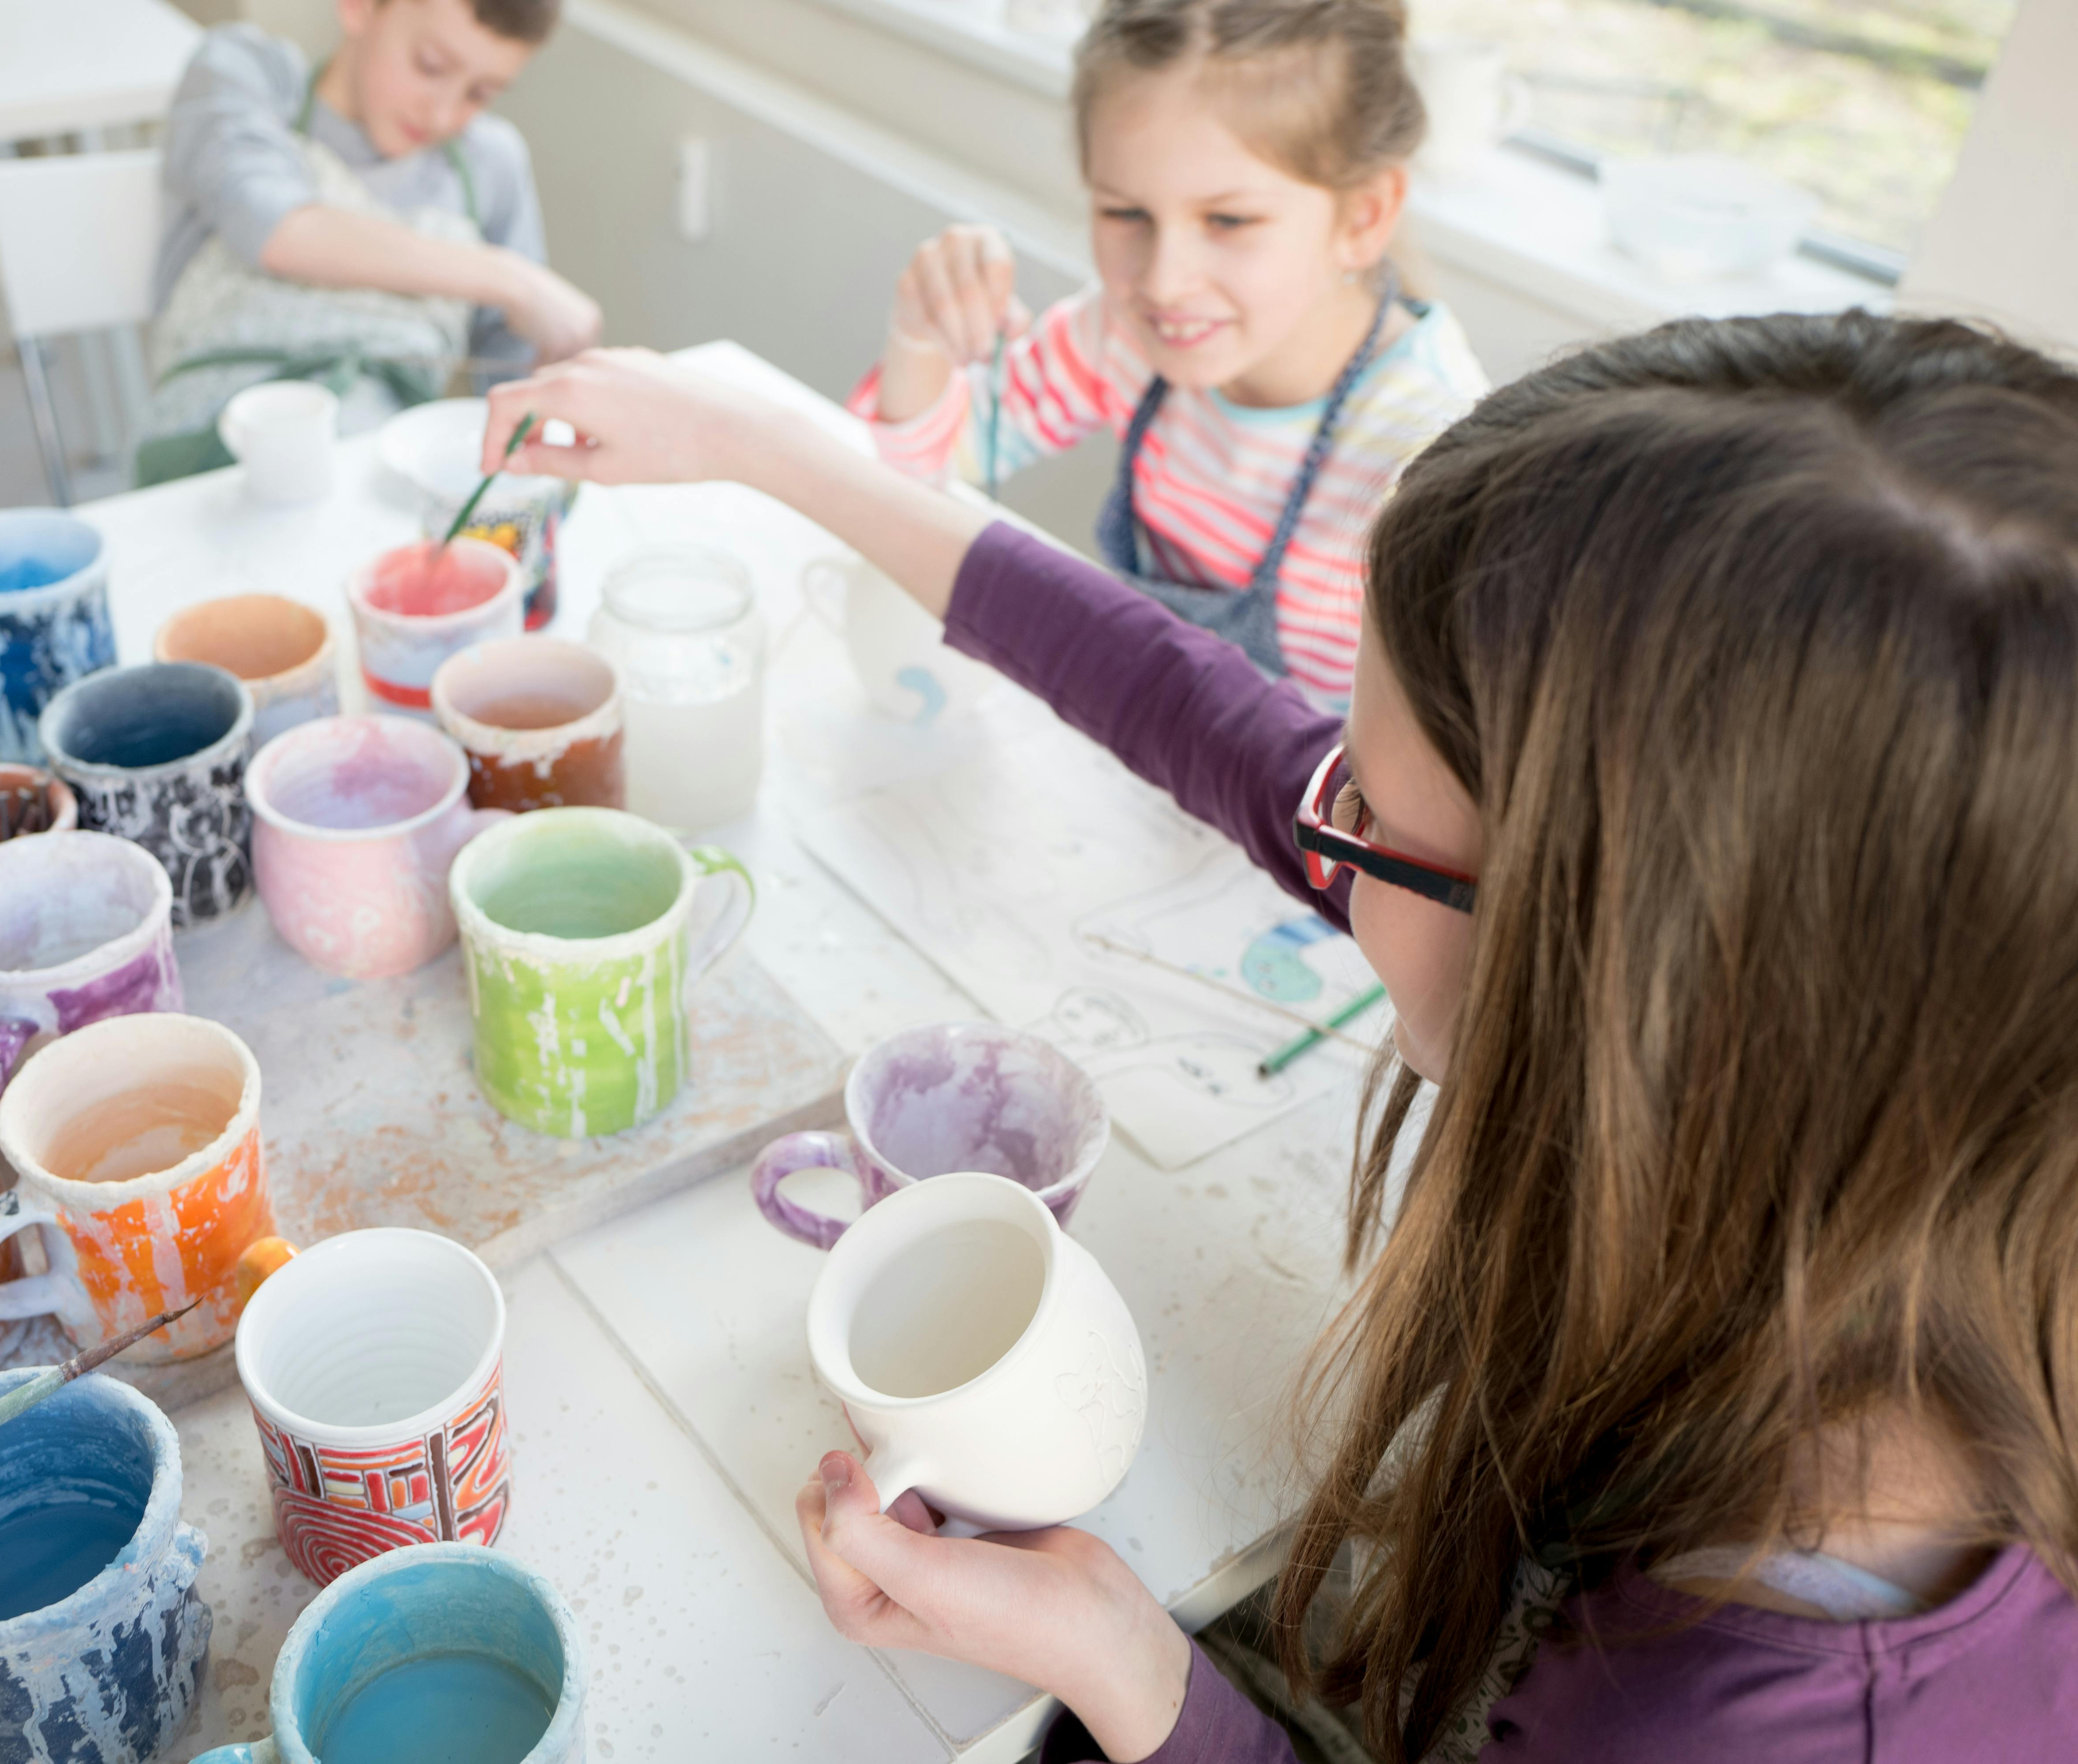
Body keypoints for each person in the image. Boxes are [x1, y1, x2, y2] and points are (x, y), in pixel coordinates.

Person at [482, 309, 2078, 1760]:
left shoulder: (1711, 1719)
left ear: (1601, 976)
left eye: (1363, 810)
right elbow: (1191, 702)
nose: (1317, 809)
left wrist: (1147, 1685)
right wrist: (767, 448)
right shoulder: (1919, 1123)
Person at [860, 0, 1484, 710]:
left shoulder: (1431, 463)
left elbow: (1442, 779)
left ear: (1364, 217)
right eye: (1126, 214)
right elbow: (901, 484)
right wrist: (922, 337)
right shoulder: (1118, 336)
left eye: (1228, 220)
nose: (1162, 282)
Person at [141, 0, 603, 482]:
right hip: (206, 467)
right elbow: (278, 229)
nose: (442, 114)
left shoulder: (491, 163)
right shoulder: (248, 73)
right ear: (359, 7)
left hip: (379, 470)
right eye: (431, 66)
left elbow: (511, 372)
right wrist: (509, 277)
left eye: (481, 94)